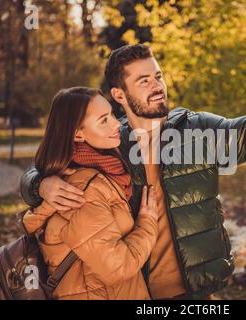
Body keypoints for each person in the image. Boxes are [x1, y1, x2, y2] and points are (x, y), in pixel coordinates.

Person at [20, 42, 246, 299]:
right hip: (136, 291)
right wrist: (40, 184)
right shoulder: (109, 145)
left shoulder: (196, 131)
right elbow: (52, 163)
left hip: (198, 290)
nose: (157, 87)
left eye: (158, 76)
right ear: (119, 95)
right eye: (144, 81)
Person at [22, 87, 159, 299]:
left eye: (112, 114)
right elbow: (117, 267)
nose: (116, 123)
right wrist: (148, 224)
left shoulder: (102, 167)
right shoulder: (83, 190)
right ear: (77, 133)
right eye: (103, 120)